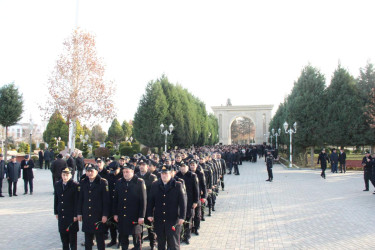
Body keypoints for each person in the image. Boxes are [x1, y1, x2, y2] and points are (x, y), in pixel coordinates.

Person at [147, 164, 187, 250]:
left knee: (173, 243)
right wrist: (149, 214)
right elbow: (151, 201)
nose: (164, 175)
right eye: (162, 174)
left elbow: (183, 203)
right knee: (161, 243)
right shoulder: (155, 185)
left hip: (173, 219)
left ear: (171, 174)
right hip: (159, 219)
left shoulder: (177, 185)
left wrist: (182, 217)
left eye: (166, 174)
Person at [113, 163, 147, 250]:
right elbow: (115, 199)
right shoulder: (119, 182)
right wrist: (115, 214)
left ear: (132, 172)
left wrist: (141, 216)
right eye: (124, 172)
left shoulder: (139, 182)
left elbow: (143, 201)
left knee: (136, 240)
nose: (125, 174)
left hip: (135, 216)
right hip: (123, 216)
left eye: (127, 172)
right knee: (124, 239)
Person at [77, 164, 110, 250]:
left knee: (100, 239)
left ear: (97, 171)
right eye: (88, 171)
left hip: (98, 215)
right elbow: (80, 199)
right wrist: (79, 213)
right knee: (88, 239)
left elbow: (106, 201)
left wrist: (105, 215)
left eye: (92, 171)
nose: (90, 173)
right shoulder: (83, 182)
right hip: (87, 214)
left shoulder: (103, 182)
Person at [54, 167, 79, 250]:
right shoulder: (57, 184)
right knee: (64, 239)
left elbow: (76, 202)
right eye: (63, 175)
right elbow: (56, 199)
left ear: (71, 175)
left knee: (72, 240)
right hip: (62, 214)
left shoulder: (75, 185)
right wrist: (56, 212)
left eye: (67, 175)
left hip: (71, 216)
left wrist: (76, 214)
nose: (65, 177)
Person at [136, 158, 157, 250]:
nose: (141, 166)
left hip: (149, 205)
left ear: (147, 167)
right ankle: (138, 245)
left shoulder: (152, 177)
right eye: (140, 165)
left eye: (143, 165)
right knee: (138, 227)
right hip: (138, 205)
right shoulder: (135, 176)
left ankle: (152, 244)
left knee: (150, 227)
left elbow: (155, 192)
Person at [176, 161, 199, 244]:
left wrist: (196, 201)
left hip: (190, 201)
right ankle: (181, 235)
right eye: (181, 167)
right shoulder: (177, 175)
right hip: (180, 202)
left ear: (187, 167)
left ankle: (187, 236)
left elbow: (196, 190)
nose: (182, 168)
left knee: (188, 219)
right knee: (181, 219)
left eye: (184, 167)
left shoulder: (192, 176)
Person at [189, 159, 206, 236]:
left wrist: (204, 196)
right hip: (189, 197)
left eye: (193, 165)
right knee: (190, 214)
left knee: (197, 214)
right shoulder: (187, 174)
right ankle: (190, 228)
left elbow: (203, 185)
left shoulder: (200, 174)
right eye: (191, 165)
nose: (192, 166)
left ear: (196, 165)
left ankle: (196, 228)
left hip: (198, 196)